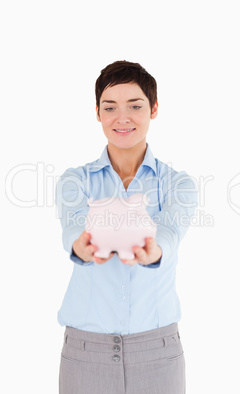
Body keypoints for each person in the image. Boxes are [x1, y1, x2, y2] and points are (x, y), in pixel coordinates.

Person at [55, 60, 198, 394]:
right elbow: (73, 225)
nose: (122, 118)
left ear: (154, 108)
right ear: (97, 113)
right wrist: (81, 246)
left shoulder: (179, 184)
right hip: (84, 353)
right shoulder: (76, 179)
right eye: (110, 107)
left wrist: (154, 250)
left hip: (158, 353)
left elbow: (170, 230)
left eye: (135, 106)